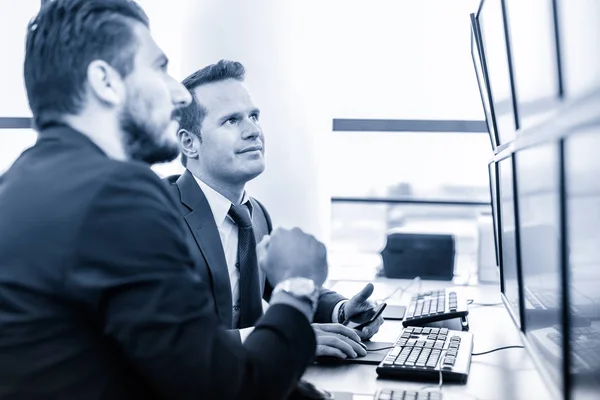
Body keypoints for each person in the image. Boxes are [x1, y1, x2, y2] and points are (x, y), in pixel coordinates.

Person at [0, 1, 330, 398]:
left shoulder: (19, 184)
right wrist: (297, 286)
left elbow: (165, 364)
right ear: (106, 81)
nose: (178, 94)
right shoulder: (117, 194)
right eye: (159, 68)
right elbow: (231, 391)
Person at [166, 60, 384, 359]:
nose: (253, 131)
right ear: (189, 143)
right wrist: (286, 337)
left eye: (254, 116)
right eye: (232, 120)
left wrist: (341, 310)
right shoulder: (159, 216)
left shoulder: (254, 214)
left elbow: (280, 285)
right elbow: (166, 341)